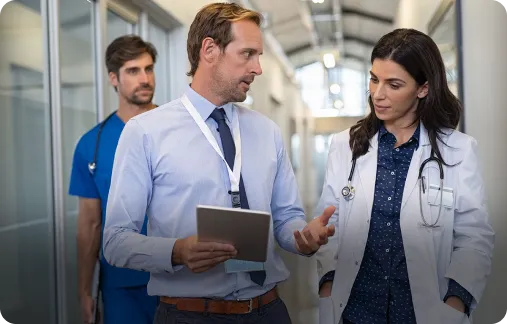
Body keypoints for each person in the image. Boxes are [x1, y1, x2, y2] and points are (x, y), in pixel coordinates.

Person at [102, 3, 335, 324]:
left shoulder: (267, 131)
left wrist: (302, 236)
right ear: (210, 49)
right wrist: (177, 251)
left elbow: (287, 218)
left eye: (259, 56)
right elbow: (114, 241)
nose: (258, 68)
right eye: (248, 54)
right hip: (189, 315)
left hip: (267, 311)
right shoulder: (146, 132)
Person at [315, 28, 495, 324]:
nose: (378, 93)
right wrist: (327, 285)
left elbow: (475, 237)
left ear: (423, 88)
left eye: (393, 84)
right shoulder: (344, 145)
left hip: (424, 314)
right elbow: (329, 223)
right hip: (354, 312)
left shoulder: (458, 150)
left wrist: (456, 302)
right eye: (374, 79)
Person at [69, 35, 159, 324]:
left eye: (148, 68)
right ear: (113, 78)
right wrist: (84, 289)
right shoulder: (91, 144)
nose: (144, 78)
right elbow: (89, 224)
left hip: (183, 277)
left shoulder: (180, 129)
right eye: (133, 71)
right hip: (122, 284)